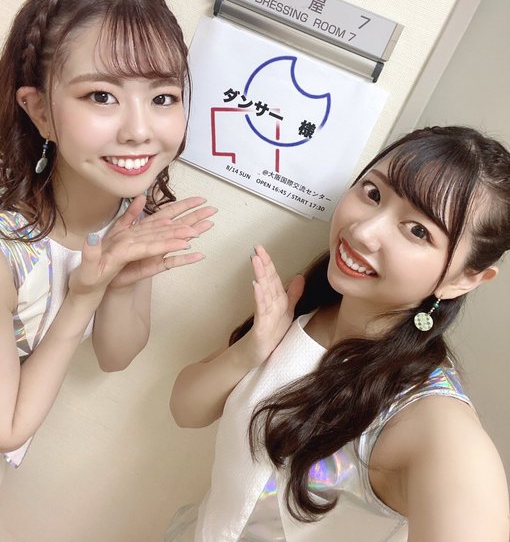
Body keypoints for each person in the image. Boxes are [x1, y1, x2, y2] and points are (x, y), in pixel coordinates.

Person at [168, 125, 510, 542]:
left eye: (418, 230)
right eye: (373, 193)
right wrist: (253, 349)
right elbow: (186, 411)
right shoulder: (308, 307)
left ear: (465, 279)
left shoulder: (431, 420)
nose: (363, 231)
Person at [0, 0, 215, 472]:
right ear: (39, 111)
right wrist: (84, 296)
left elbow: (115, 356)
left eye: (162, 97)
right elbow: (8, 429)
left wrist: (118, 284)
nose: (139, 130)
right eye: (102, 95)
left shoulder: (129, 211)